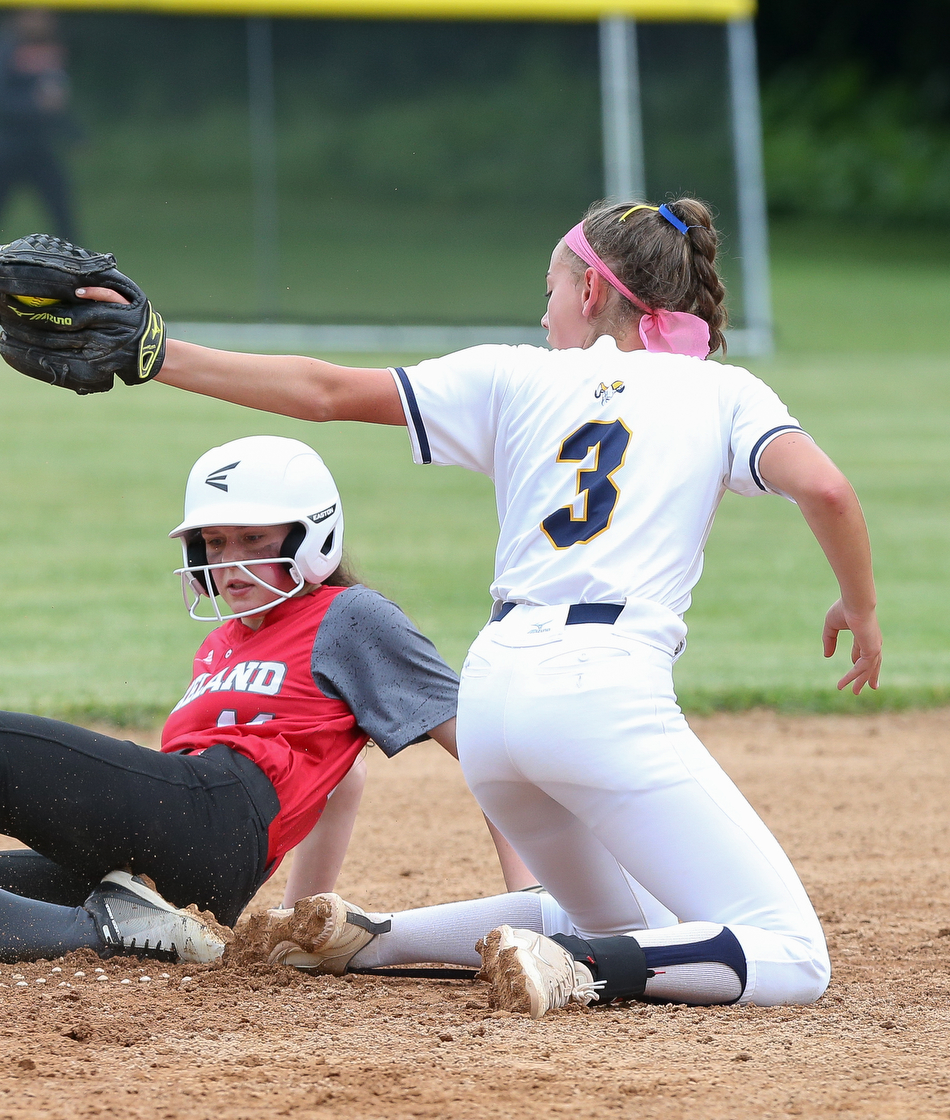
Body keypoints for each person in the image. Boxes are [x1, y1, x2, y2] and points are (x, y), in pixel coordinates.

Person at [72, 197, 880, 1014]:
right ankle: (580, 969)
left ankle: (371, 933)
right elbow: (828, 488)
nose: (545, 310)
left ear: (593, 294)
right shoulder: (721, 391)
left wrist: (156, 351)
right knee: (793, 956)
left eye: (552, 289)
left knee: (627, 919)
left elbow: (320, 390)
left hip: (492, 704)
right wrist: (861, 608)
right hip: (604, 697)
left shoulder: (512, 375)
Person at [0, 435, 533, 982]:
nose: (232, 562)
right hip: (175, 858)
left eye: (256, 540)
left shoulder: (350, 615)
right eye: (216, 544)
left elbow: (486, 752)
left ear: (313, 536)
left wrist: (533, 906)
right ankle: (109, 929)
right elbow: (339, 778)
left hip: (217, 813)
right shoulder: (223, 641)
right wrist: (291, 919)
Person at [0, 9, 80, 271]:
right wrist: (33, 105)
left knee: (63, 214)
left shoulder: (50, 47)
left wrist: (74, 133)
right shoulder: (3, 46)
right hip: (4, 148)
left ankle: (81, 273)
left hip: (39, 148)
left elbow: (56, 100)